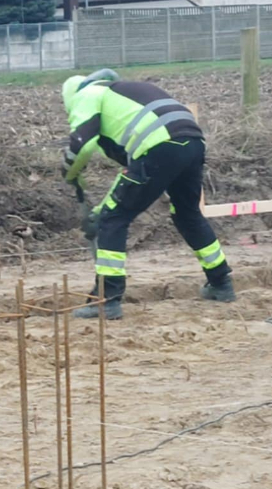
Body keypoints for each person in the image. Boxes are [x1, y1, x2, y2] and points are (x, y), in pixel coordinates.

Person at [62, 69, 234, 320]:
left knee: (114, 218)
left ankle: (107, 299)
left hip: (159, 145)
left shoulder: (87, 93)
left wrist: (69, 172)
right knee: (187, 214)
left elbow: (82, 144)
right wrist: (99, 210)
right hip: (192, 142)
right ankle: (221, 283)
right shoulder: (124, 97)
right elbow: (130, 173)